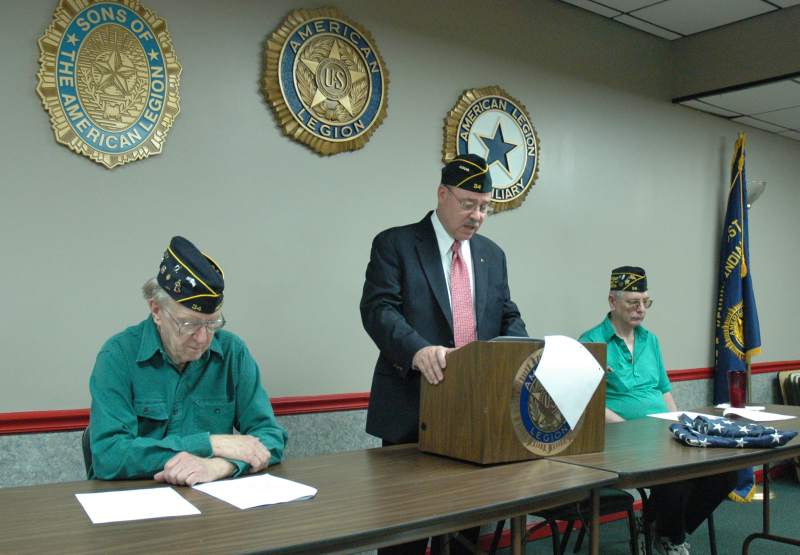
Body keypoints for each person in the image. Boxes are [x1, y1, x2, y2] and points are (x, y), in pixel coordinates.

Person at [360, 154, 528, 555]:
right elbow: (378, 309)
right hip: (412, 409)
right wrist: (417, 350)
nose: (478, 216)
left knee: (465, 530)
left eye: (486, 206)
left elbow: (507, 314)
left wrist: (521, 354)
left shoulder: (493, 254)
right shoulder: (396, 244)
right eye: (469, 204)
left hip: (475, 413)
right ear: (442, 194)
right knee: (405, 533)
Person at [88, 236, 287, 486]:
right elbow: (109, 456)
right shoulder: (118, 356)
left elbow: (270, 437)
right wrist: (211, 443)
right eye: (189, 324)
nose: (203, 338)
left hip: (209, 502)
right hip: (134, 503)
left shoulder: (233, 352)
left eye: (212, 323)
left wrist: (219, 466)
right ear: (156, 311)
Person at [579, 266, 736, 555]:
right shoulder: (590, 343)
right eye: (632, 303)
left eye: (645, 302)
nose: (641, 310)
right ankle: (670, 538)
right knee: (674, 473)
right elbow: (589, 403)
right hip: (619, 437)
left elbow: (664, 390)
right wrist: (632, 428)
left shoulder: (651, 340)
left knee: (725, 471)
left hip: (659, 432)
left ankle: (656, 525)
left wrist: (678, 425)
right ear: (612, 302)